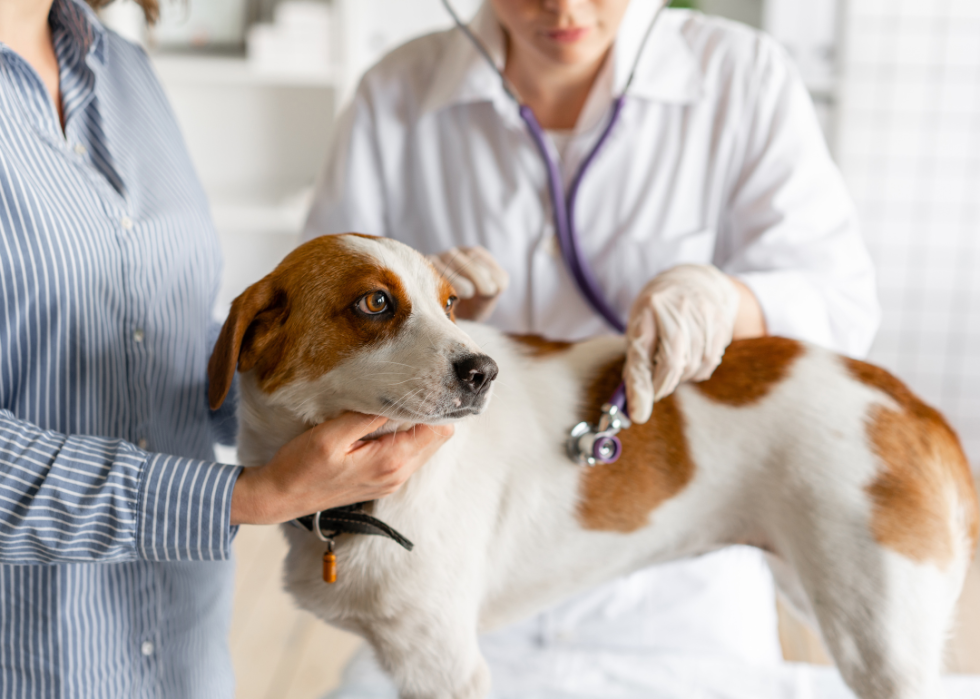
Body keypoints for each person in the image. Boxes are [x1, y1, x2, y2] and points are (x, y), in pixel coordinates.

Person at [301, 0, 879, 695]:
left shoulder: (740, 74)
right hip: (444, 569)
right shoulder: (396, 91)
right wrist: (430, 318)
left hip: (673, 577)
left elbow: (840, 303)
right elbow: (319, 319)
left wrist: (725, 299)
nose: (564, 8)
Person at [0, 1, 452, 697]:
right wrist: (247, 495)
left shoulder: (124, 71)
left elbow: (159, 335)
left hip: (185, 647)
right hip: (38, 658)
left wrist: (346, 363)